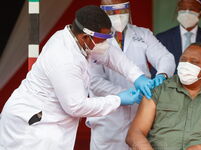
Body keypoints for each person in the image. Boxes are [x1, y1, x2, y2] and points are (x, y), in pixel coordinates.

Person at [0, 5, 154, 150]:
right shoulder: (63, 57)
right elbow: (76, 106)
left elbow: (111, 55)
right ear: (86, 37)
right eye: (103, 39)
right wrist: (118, 99)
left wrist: (138, 76)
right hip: (31, 126)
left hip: (49, 121)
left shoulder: (76, 38)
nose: (105, 43)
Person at [86, 0, 176, 150]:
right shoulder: (94, 39)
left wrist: (162, 75)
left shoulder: (143, 34)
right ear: (103, 13)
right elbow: (94, 81)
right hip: (109, 119)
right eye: (113, 13)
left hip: (141, 113)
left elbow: (165, 58)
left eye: (122, 11)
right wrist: (122, 95)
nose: (119, 16)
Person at [126, 43, 201, 150]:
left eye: (194, 62)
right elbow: (135, 133)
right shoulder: (159, 89)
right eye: (183, 60)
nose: (186, 65)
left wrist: (200, 148)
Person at [155, 0, 201, 82]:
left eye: (192, 9)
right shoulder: (163, 38)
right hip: (169, 91)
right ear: (177, 10)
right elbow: (156, 71)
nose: (187, 12)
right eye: (183, 8)